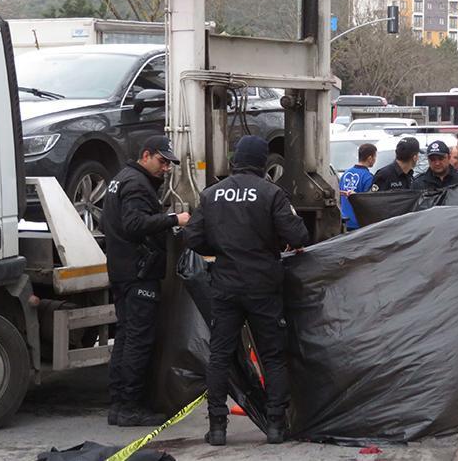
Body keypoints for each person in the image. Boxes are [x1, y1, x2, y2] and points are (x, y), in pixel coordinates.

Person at [184, 135, 309, 446]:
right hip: (263, 286)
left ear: (235, 160)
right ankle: (276, 426)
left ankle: (217, 428)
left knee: (220, 356)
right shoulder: (272, 193)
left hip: (225, 285)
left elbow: (192, 237)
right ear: (263, 163)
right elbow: (299, 235)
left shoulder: (212, 195)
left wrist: (221, 248)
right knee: (273, 356)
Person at [101, 135, 190, 427]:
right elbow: (135, 224)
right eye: (162, 161)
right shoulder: (137, 184)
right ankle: (130, 406)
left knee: (126, 336)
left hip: (121, 269)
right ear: (146, 155)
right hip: (138, 272)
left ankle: (118, 404)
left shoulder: (120, 179)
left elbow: (107, 223)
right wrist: (174, 219)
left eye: (169, 164)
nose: (166, 168)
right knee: (138, 340)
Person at [339, 143, 377, 231]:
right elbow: (369, 202)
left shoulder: (345, 174)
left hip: (343, 221)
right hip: (359, 224)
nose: (375, 160)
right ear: (370, 158)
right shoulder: (368, 177)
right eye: (375, 157)